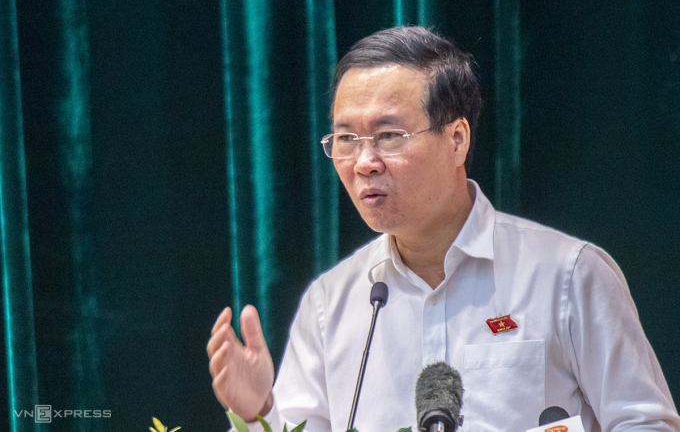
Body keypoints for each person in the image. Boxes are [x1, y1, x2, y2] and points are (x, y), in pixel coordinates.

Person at [207, 26, 680, 431]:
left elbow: (645, 421)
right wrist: (260, 412)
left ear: (456, 139)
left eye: (389, 136)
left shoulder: (569, 275)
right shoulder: (331, 303)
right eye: (347, 139)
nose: (365, 162)